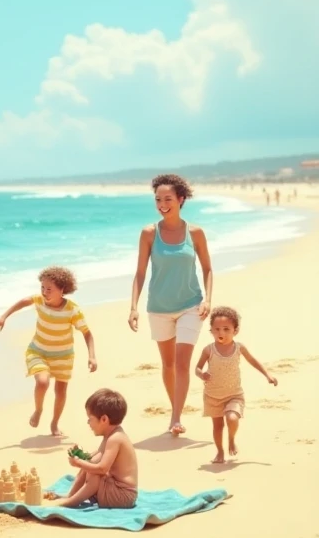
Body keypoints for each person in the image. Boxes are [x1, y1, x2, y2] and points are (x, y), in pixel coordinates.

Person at [128, 173, 212, 437]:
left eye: (168, 199)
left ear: (180, 199)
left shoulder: (195, 233)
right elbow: (140, 272)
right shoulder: (149, 233)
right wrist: (133, 307)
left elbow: (208, 269)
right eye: (158, 199)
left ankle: (175, 417)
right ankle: (175, 407)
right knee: (167, 365)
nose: (162, 204)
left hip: (191, 305)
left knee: (181, 363)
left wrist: (208, 299)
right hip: (159, 307)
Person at [0, 266, 97, 436]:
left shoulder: (72, 309)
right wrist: (3, 316)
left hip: (63, 356)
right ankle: (38, 410)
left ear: (62, 290)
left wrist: (92, 356)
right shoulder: (39, 301)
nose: (44, 292)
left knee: (60, 391)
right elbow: (23, 302)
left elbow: (87, 333)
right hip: (38, 351)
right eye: (42, 287)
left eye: (49, 289)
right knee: (42, 382)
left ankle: (55, 423)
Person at [195, 306, 278, 464]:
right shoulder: (208, 350)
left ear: (235, 331)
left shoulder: (239, 347)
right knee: (217, 426)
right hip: (213, 395)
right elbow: (197, 368)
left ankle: (231, 439)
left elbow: (253, 361)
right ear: (211, 331)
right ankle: (219, 451)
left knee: (232, 418)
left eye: (226, 329)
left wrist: (268, 375)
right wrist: (202, 374)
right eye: (217, 329)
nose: (221, 333)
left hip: (234, 394)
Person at [54, 389, 138, 509]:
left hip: (124, 495)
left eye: (90, 418)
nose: (88, 423)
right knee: (88, 465)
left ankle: (71, 502)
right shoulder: (110, 436)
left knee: (94, 473)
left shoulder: (115, 439)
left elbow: (102, 468)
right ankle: (70, 496)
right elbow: (96, 457)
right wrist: (81, 456)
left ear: (104, 419)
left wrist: (79, 463)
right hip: (115, 489)